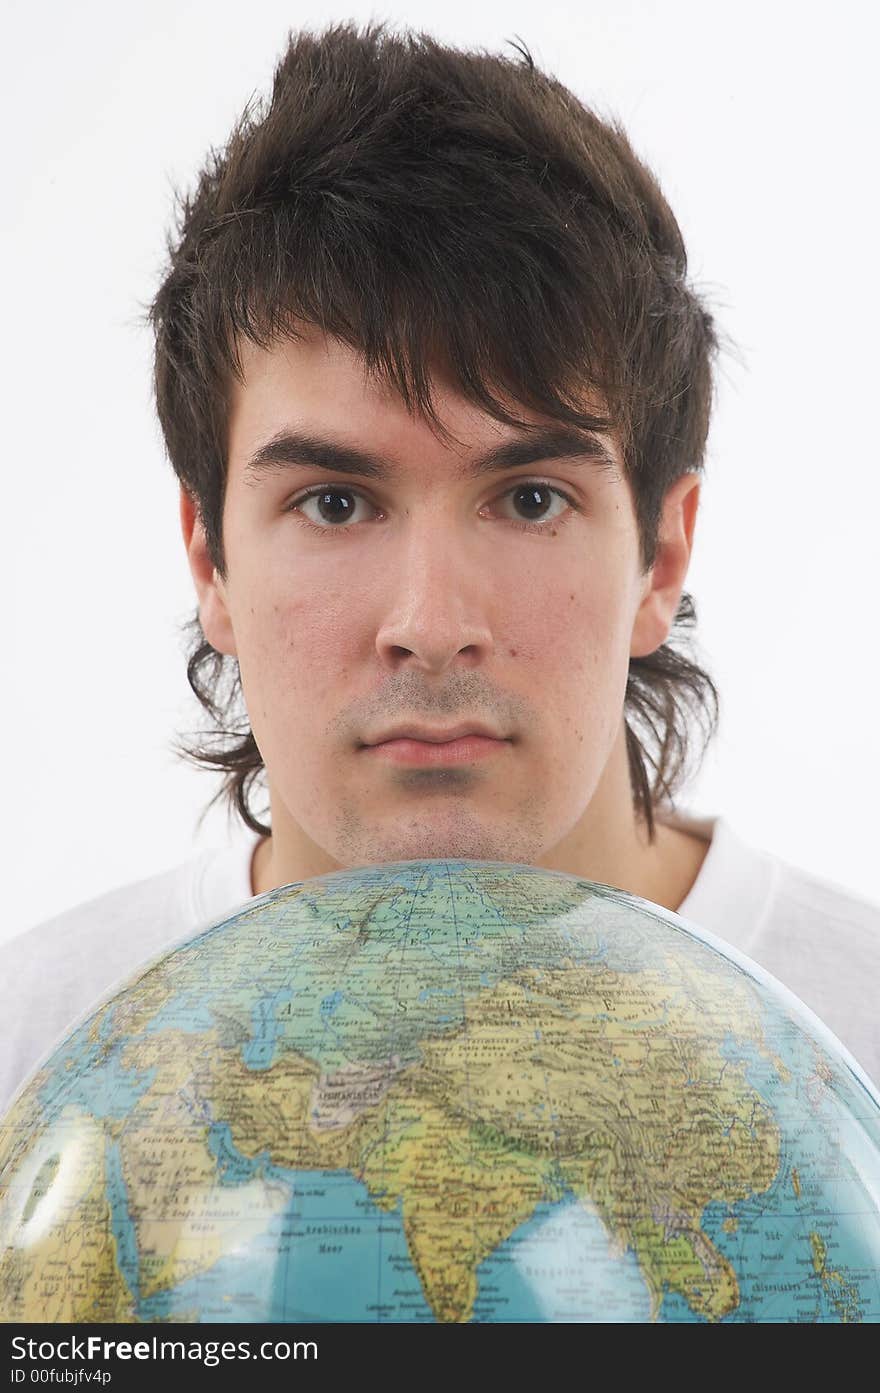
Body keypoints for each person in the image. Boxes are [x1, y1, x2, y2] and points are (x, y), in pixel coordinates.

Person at [3, 19, 878, 1113]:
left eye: (527, 499)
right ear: (209, 560)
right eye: (334, 503)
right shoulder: (34, 1059)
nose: (428, 620)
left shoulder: (859, 1045)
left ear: (661, 554)